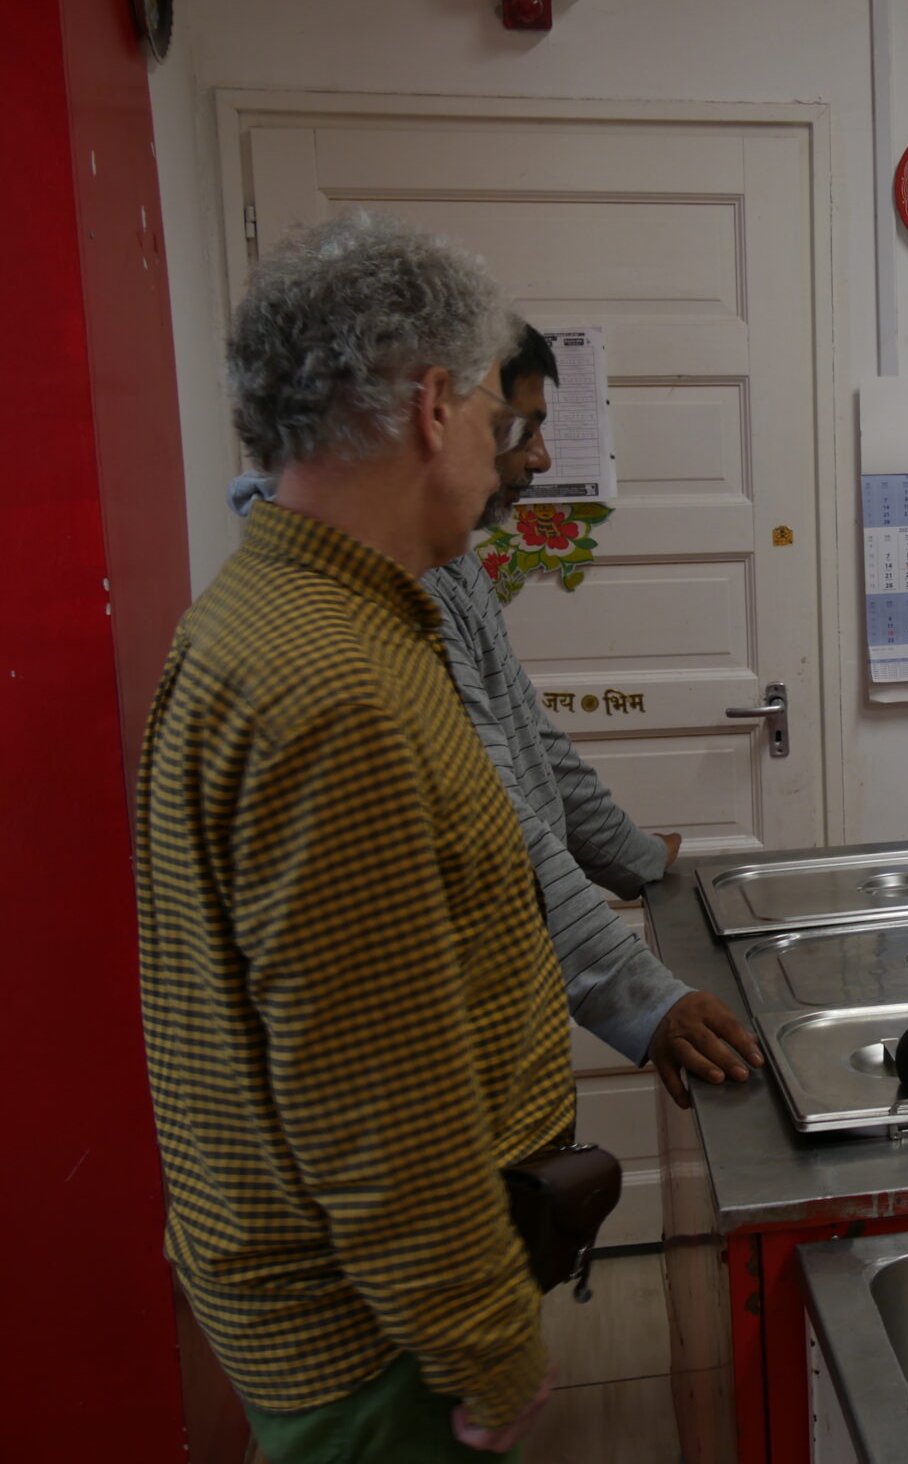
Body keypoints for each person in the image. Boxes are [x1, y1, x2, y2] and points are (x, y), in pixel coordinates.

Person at [137, 213, 570, 1459]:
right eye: (492, 416)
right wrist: (489, 1342)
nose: (504, 454)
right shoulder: (334, 682)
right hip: (380, 1344)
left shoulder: (281, 611)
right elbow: (378, 1103)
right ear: (431, 407)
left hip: (346, 1308)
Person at [232, 325, 764, 1101]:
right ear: (428, 415)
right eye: (510, 427)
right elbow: (494, 822)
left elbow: (525, 734)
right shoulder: (344, 631)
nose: (537, 459)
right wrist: (647, 1002)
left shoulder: (433, 567)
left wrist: (634, 856)